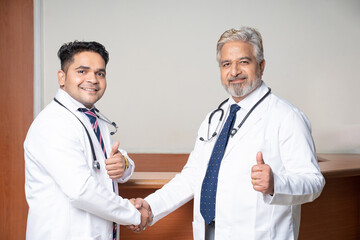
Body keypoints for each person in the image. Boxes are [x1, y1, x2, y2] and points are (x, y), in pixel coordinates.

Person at [130, 27, 325, 239]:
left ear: (261, 66)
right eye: (226, 64)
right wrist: (151, 206)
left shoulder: (287, 117)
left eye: (244, 62)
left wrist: (275, 185)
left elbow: (314, 182)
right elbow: (193, 176)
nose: (234, 72)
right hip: (211, 232)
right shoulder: (214, 118)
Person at [24, 41, 148, 240]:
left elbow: (113, 161)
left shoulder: (93, 119)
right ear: (61, 78)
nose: (93, 79)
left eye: (100, 73)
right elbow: (81, 190)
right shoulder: (53, 123)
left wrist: (123, 163)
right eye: (82, 71)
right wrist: (133, 214)